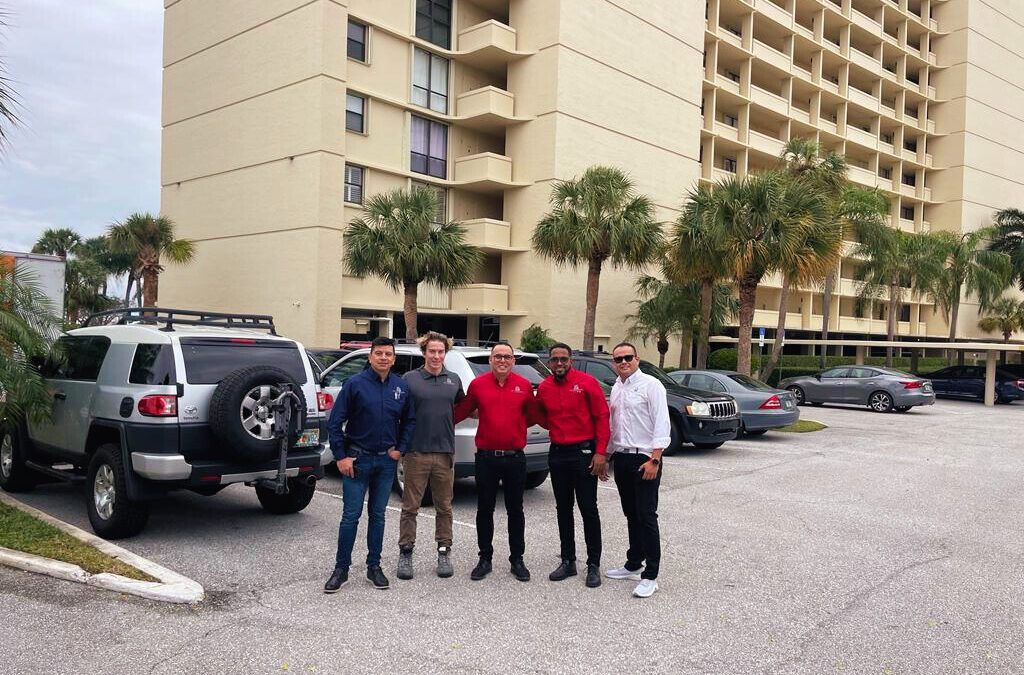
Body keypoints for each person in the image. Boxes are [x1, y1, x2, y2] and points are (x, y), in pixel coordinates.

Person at [323, 337, 415, 593]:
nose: (384, 358)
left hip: (386, 462)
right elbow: (335, 423)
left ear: (394, 359)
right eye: (379, 353)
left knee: (378, 516)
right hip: (357, 461)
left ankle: (374, 567)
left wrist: (401, 449)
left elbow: (410, 421)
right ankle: (341, 569)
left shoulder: (401, 387)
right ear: (370, 356)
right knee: (350, 517)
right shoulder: (354, 384)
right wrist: (340, 456)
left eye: (388, 354)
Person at [454, 342, 537, 582]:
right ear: (491, 360)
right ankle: (485, 558)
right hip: (486, 458)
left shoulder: (523, 385)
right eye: (498, 356)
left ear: (513, 361)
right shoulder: (478, 385)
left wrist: (515, 429)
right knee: (484, 509)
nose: (502, 360)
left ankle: (517, 559)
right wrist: (434, 422)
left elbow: (532, 415)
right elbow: (461, 412)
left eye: (507, 357)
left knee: (516, 510)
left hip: (514, 458)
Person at [534, 342, 609, 588]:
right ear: (550, 361)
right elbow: (543, 417)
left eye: (563, 359)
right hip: (558, 454)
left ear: (571, 360)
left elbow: (602, 417)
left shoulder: (587, 382)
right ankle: (568, 561)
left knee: (589, 510)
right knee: (563, 509)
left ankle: (593, 565)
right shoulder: (544, 388)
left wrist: (600, 453)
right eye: (554, 359)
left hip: (584, 453)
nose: (559, 363)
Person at [397, 331, 464, 580]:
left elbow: (465, 408)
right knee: (410, 507)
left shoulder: (454, 380)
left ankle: (444, 551)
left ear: (446, 353)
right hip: (416, 453)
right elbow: (399, 414)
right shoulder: (409, 379)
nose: (436, 356)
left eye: (440, 351)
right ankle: (406, 552)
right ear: (424, 352)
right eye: (432, 351)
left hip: (445, 453)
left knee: (444, 507)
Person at [605, 342, 669, 598]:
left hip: (645, 459)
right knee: (631, 514)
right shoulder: (617, 388)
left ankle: (651, 575)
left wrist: (655, 459)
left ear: (637, 359)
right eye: (618, 359)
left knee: (646, 515)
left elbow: (662, 422)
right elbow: (614, 426)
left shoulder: (652, 385)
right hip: (622, 458)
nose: (623, 362)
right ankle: (634, 562)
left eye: (627, 357)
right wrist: (606, 456)